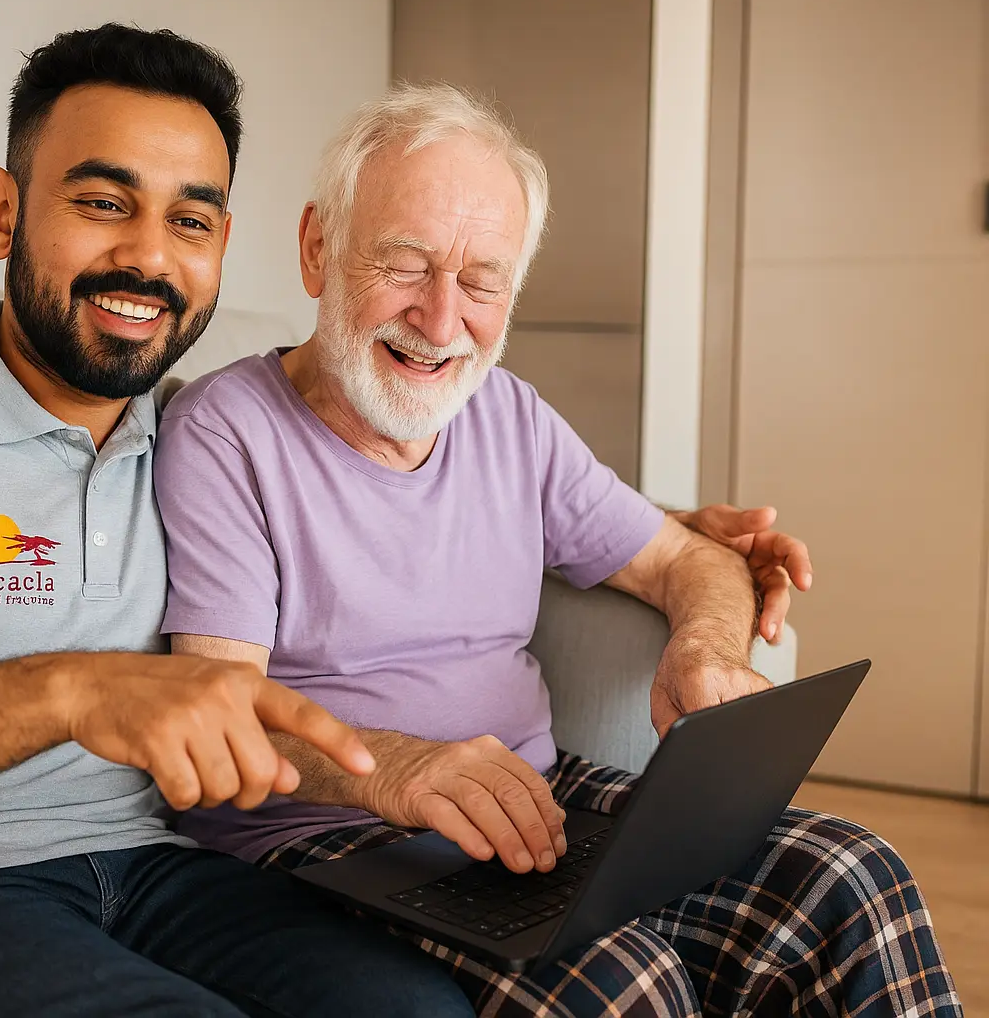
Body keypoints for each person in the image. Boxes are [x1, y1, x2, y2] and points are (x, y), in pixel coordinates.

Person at [0, 26, 479, 1018]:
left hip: (152, 866)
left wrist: (669, 535)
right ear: (2, 212)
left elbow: (403, 471)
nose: (148, 256)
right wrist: (72, 689)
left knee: (422, 1010)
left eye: (190, 223)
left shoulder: (205, 438)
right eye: (103, 203)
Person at [155, 82, 962, 1016]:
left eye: (483, 280)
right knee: (626, 987)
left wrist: (706, 648)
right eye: (406, 263)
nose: (441, 316)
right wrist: (407, 771)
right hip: (328, 838)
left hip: (536, 797)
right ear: (317, 248)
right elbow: (217, 707)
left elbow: (682, 557)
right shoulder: (225, 432)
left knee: (854, 877)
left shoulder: (508, 417)